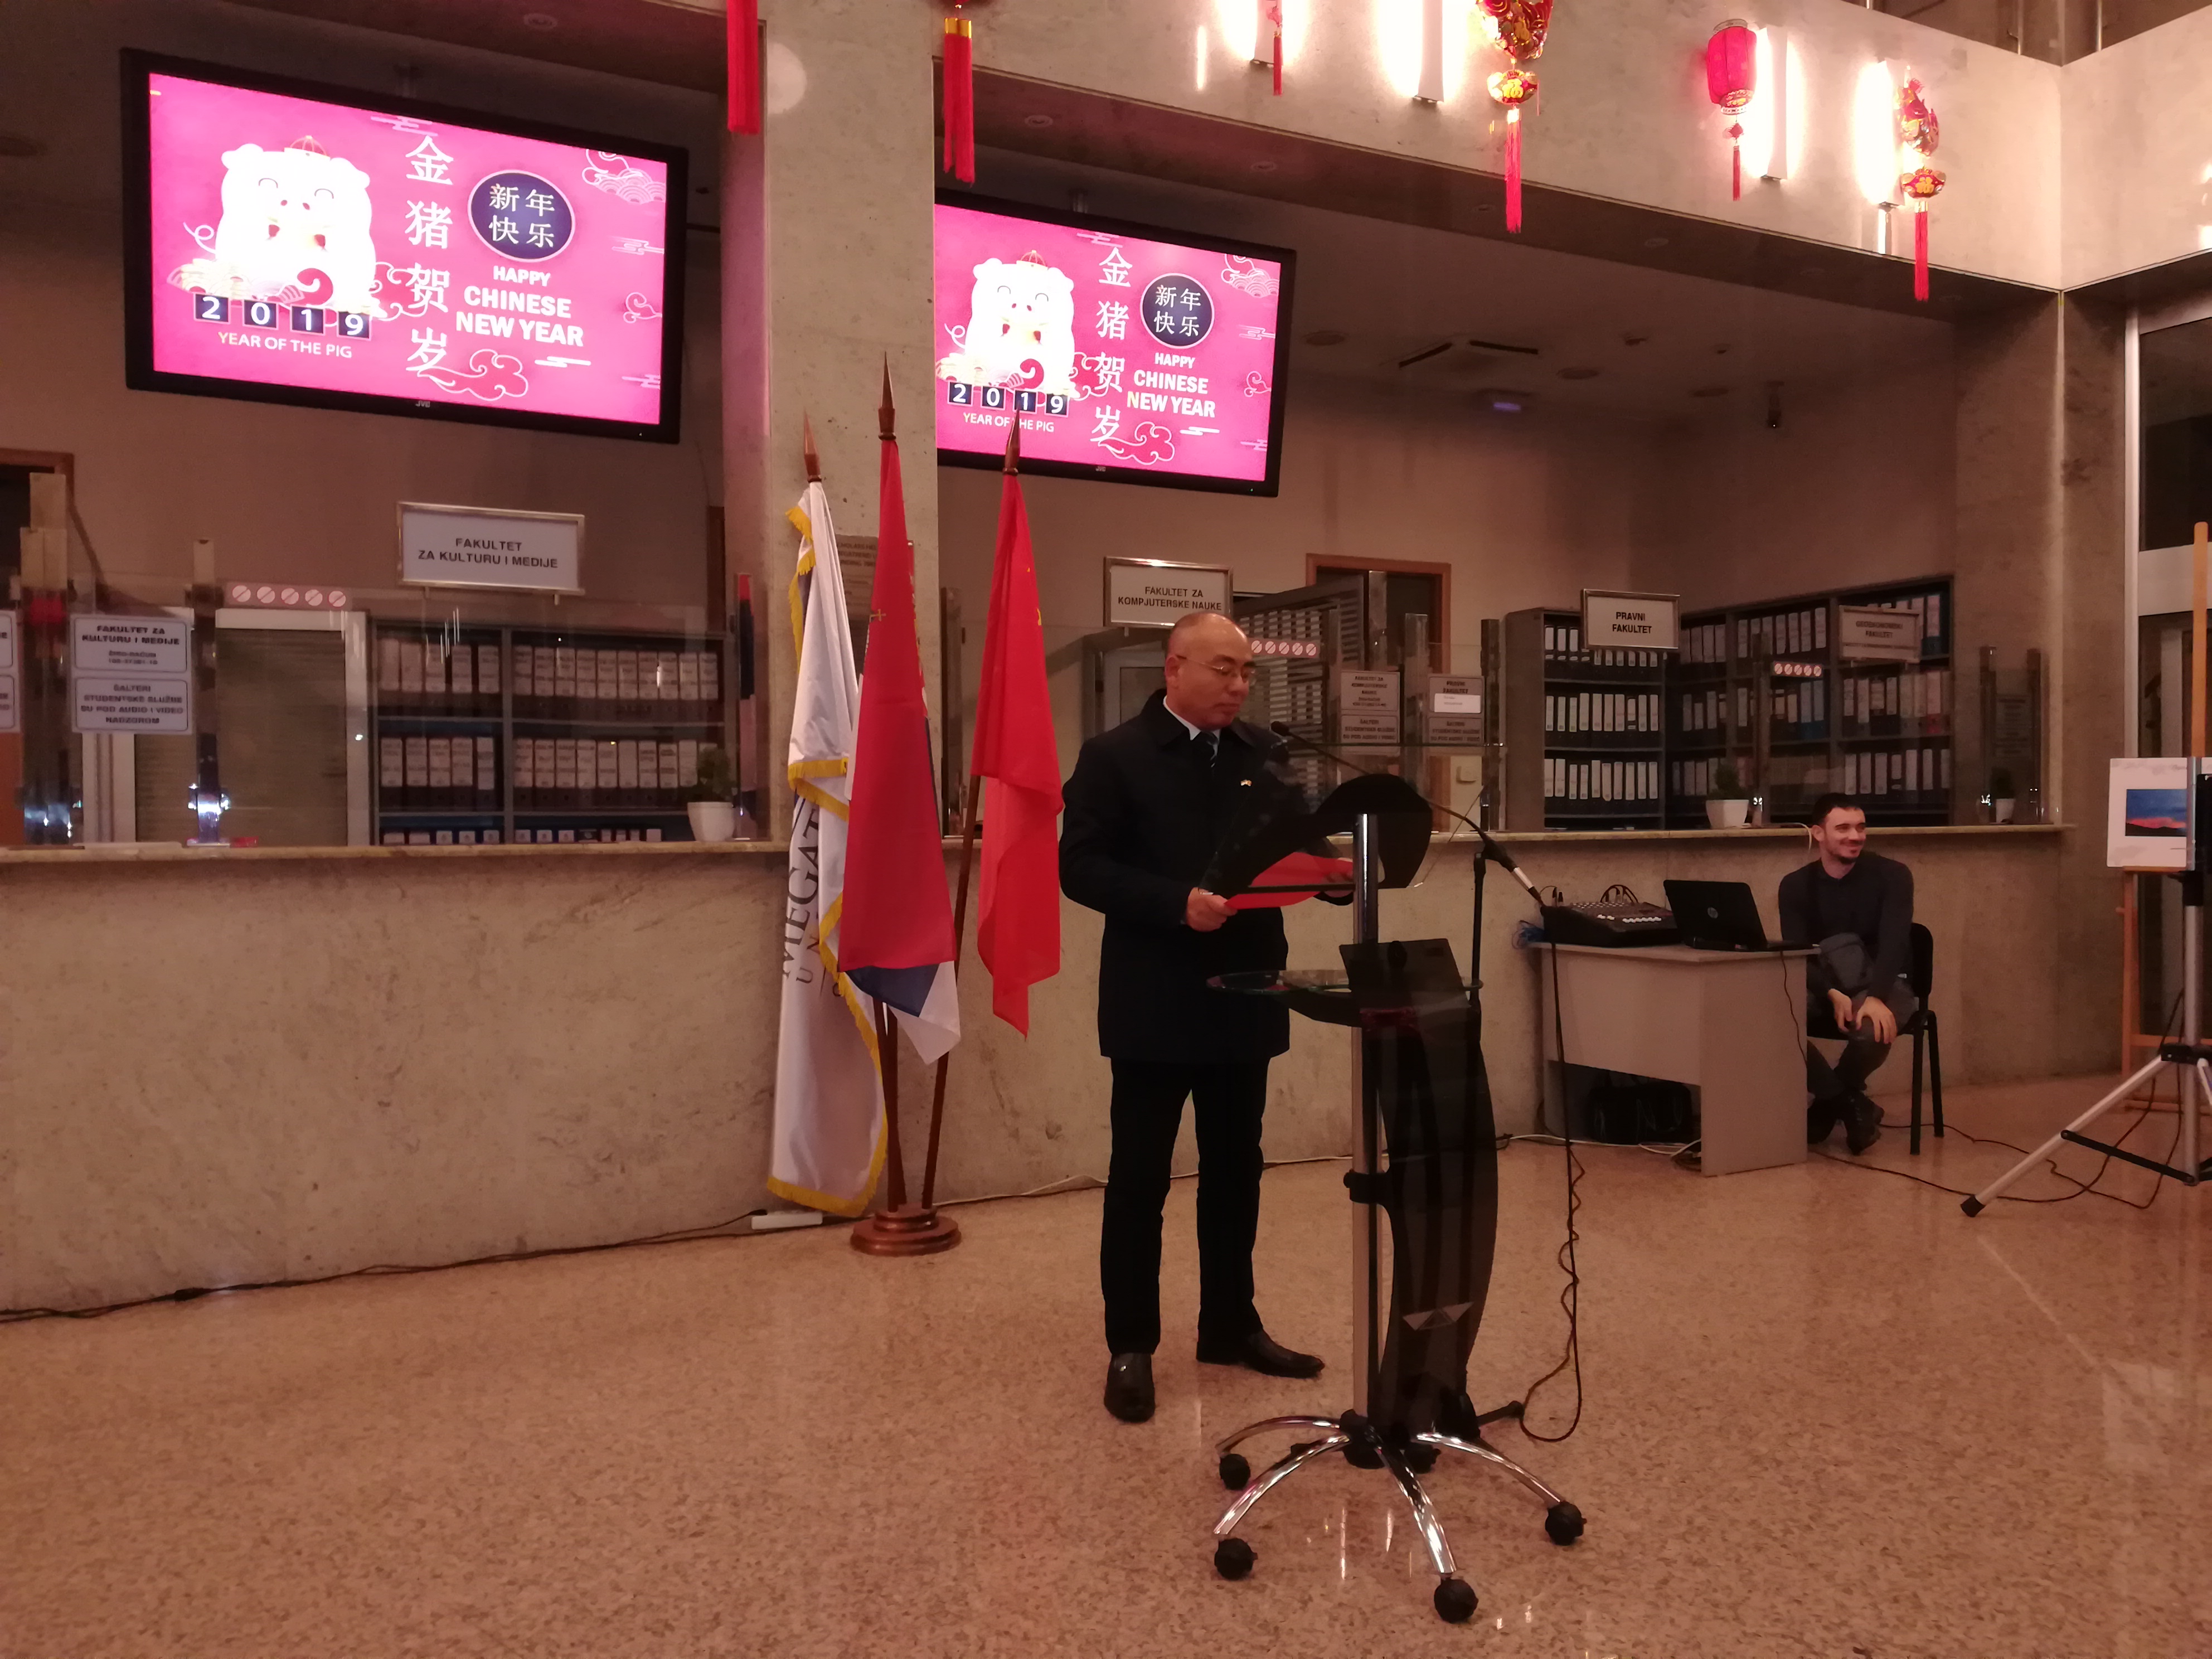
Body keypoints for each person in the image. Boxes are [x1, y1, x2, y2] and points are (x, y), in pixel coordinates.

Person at [1060, 610, 1325, 1425]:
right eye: (1222, 669)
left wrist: (1335, 872)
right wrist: (1176, 903)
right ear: (1173, 668)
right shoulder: (1115, 756)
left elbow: (1292, 848)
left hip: (1246, 990)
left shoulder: (1264, 753)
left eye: (1246, 672)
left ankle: (1230, 1324)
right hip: (1155, 997)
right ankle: (1131, 1345)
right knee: (1140, 1177)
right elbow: (1080, 868)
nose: (1238, 686)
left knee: (1236, 1170)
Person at [1778, 794, 1916, 1155]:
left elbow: (1895, 943)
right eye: (1843, 828)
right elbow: (1799, 954)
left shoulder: (1893, 875)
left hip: (1883, 980)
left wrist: (1876, 997)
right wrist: (1831, 993)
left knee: (1874, 1028)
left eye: (1860, 828)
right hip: (1826, 983)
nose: (1855, 836)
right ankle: (1850, 1105)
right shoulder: (1795, 885)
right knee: (1771, 1018)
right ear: (1818, 833)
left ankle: (1828, 1106)